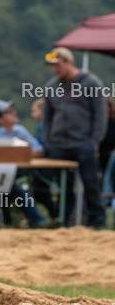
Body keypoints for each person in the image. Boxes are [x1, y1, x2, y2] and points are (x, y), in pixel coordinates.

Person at [40, 47, 107, 227]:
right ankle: (63, 220)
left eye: (58, 65)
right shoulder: (51, 87)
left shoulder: (91, 83)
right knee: (62, 186)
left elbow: (100, 115)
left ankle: (97, 221)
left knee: (91, 183)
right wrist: (47, 140)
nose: (55, 70)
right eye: (52, 66)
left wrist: (94, 141)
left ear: (70, 62)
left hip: (83, 142)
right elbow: (47, 118)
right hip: (58, 144)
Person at [0, 100, 59, 229]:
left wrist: (10, 153)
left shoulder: (19, 130)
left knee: (21, 192)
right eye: (9, 112)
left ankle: (39, 221)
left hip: (7, 175)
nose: (14, 113)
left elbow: (38, 150)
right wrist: (19, 152)